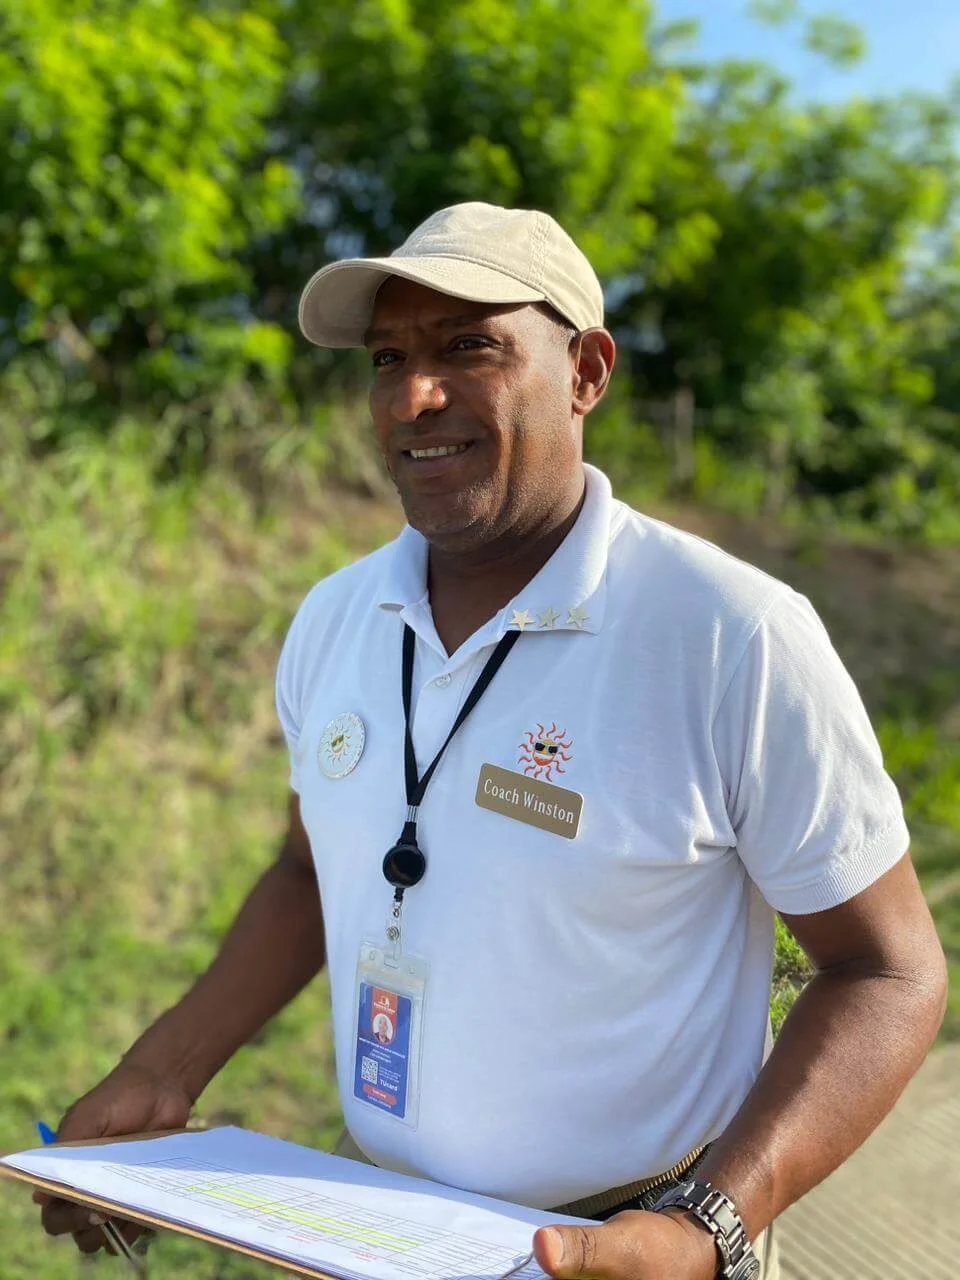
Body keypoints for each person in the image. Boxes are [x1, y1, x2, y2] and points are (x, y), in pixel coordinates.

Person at [36, 202, 947, 1280]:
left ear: (587, 371)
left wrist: (708, 1226)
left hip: (629, 1239)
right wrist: (163, 1067)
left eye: (469, 346)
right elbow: (308, 866)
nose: (414, 397)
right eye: (388, 357)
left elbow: (888, 970)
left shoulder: (728, 635)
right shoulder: (336, 617)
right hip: (368, 1219)